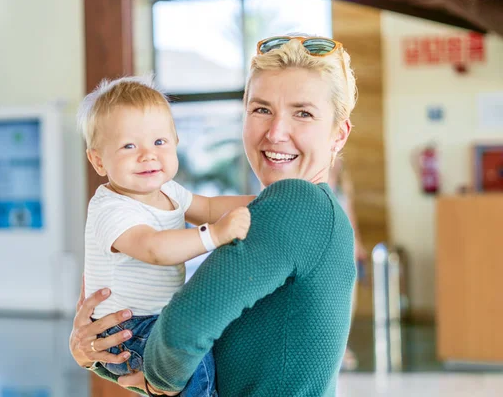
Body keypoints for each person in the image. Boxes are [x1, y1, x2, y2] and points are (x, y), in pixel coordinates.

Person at [70, 34, 358, 396]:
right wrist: (98, 353)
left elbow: (181, 328)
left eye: (303, 113)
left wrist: (143, 374)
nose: (275, 132)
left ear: (338, 134)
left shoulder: (295, 201)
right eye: (261, 109)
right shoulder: (316, 210)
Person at [76, 76, 253, 396]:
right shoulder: (111, 208)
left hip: (157, 321)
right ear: (98, 160)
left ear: (175, 144)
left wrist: (266, 203)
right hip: (127, 329)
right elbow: (153, 248)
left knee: (198, 348)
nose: (147, 155)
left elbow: (211, 206)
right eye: (129, 146)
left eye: (159, 142)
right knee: (191, 358)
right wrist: (213, 235)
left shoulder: (168, 191)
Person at [328, 159, 369, 371]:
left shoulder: (344, 187)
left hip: (348, 250)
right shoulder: (317, 185)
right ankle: (334, 348)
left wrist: (359, 245)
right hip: (329, 253)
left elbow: (351, 218)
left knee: (349, 302)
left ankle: (343, 347)